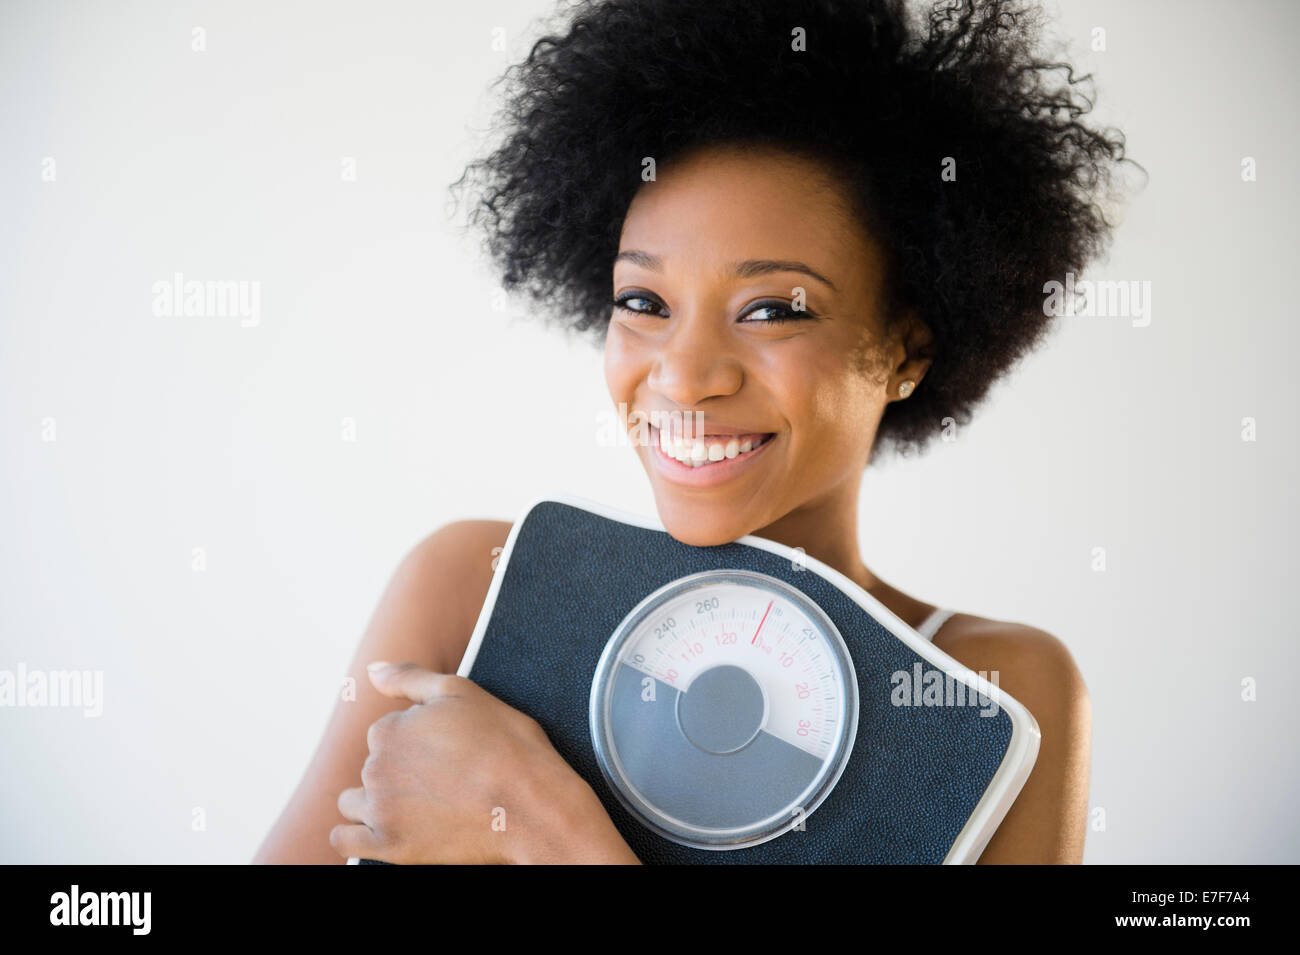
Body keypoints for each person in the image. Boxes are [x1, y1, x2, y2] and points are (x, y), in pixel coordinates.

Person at [254, 0, 1131, 864]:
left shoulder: (990, 695)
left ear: (906, 350)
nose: (683, 373)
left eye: (771, 309)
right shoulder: (471, 588)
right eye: (644, 302)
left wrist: (539, 826)